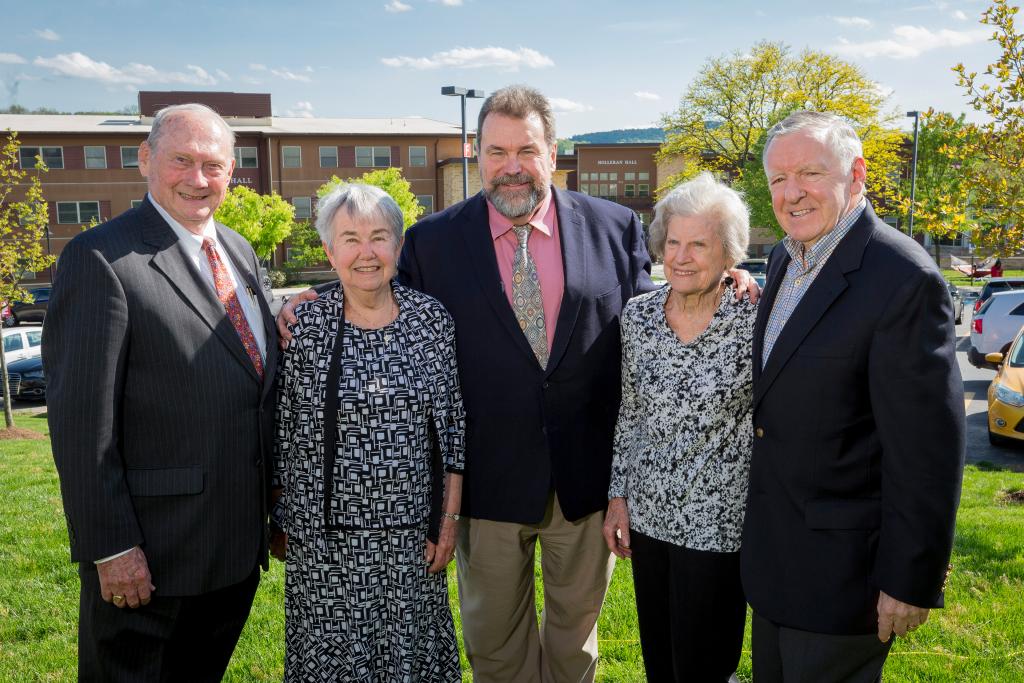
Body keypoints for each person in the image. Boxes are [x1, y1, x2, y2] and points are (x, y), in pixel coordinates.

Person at [278, 85, 756, 682]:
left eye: (526, 150)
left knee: (573, 644)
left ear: (553, 152)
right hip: (488, 484)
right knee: (496, 648)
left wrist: (726, 271)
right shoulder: (435, 240)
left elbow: (658, 311)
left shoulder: (615, 229)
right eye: (496, 151)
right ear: (477, 154)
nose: (511, 167)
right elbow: (377, 290)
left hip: (582, 487)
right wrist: (313, 298)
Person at [43, 103, 278, 681]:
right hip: (151, 558)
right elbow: (81, 424)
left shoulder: (240, 252)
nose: (199, 180)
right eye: (182, 160)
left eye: (214, 166)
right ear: (146, 159)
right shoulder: (101, 258)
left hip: (232, 550)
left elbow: (252, 375)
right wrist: (111, 547)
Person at [742, 110, 965, 682]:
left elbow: (927, 451)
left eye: (810, 174)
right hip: (777, 566)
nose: (791, 194)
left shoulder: (903, 279)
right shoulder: (785, 258)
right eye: (777, 180)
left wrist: (910, 577)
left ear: (856, 173)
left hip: (846, 579)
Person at [272, 183, 464, 681]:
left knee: (410, 662)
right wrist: (279, 515)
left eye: (379, 237)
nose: (366, 252)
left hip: (409, 539)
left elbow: (452, 429)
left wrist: (447, 521)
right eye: (350, 238)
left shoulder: (431, 321)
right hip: (323, 544)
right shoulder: (303, 325)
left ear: (399, 248)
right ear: (329, 251)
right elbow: (285, 427)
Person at [602, 172, 754, 682]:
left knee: (707, 664)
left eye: (698, 244)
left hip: (720, 522)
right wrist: (618, 497)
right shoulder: (639, 316)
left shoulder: (755, 315)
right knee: (660, 661)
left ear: (729, 253)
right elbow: (630, 410)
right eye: (673, 243)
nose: (681, 257)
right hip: (649, 517)